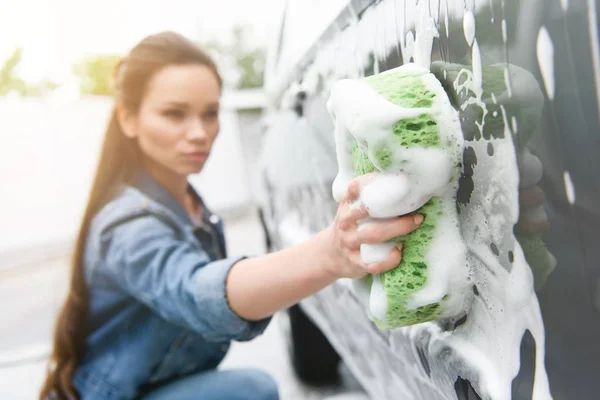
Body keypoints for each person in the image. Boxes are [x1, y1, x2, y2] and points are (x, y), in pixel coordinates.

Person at [39, 31, 423, 400]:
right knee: (254, 390)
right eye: (174, 114)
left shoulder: (188, 203)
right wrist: (330, 254)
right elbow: (195, 290)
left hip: (157, 383)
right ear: (128, 119)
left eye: (210, 113)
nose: (199, 132)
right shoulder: (127, 224)